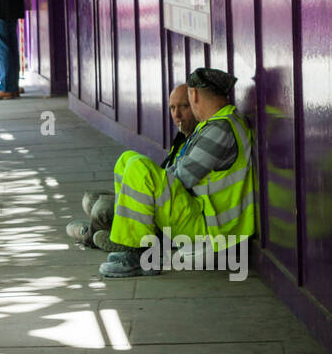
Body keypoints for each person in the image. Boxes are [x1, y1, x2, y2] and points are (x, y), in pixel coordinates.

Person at [98, 68, 256, 278]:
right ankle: (131, 240)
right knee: (127, 160)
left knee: (139, 169)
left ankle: (140, 254)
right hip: (204, 217)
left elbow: (181, 177)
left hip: (212, 228)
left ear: (194, 95)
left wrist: (151, 180)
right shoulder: (219, 123)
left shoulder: (221, 130)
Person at [65, 83, 198, 248]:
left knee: (102, 210)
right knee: (91, 199)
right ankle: (103, 232)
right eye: (172, 108)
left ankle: (101, 237)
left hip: (175, 211)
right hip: (160, 200)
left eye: (184, 107)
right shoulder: (181, 138)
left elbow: (179, 181)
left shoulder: (203, 140)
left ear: (196, 105)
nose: (177, 114)